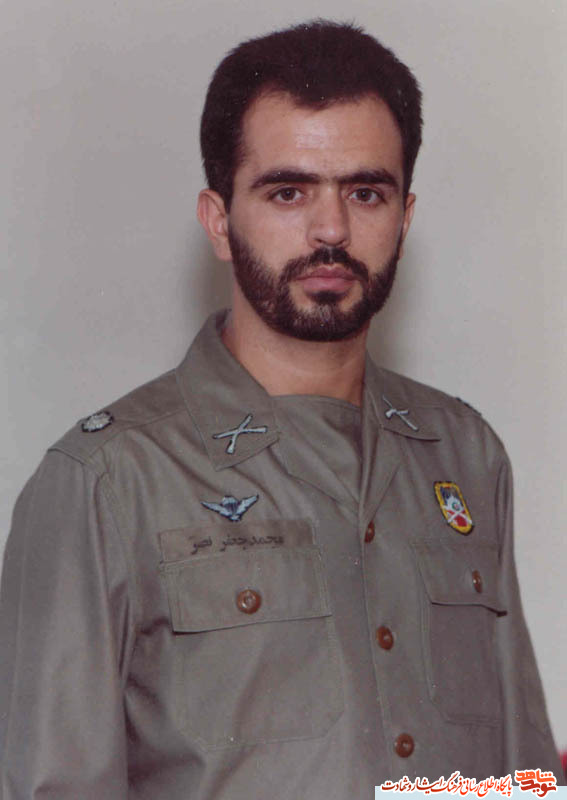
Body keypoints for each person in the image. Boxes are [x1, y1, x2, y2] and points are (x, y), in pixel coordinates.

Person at [0, 19, 562, 799]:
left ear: (403, 218)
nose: (330, 230)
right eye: (287, 192)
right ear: (219, 220)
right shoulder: (108, 479)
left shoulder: (463, 452)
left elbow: (521, 775)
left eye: (364, 192)